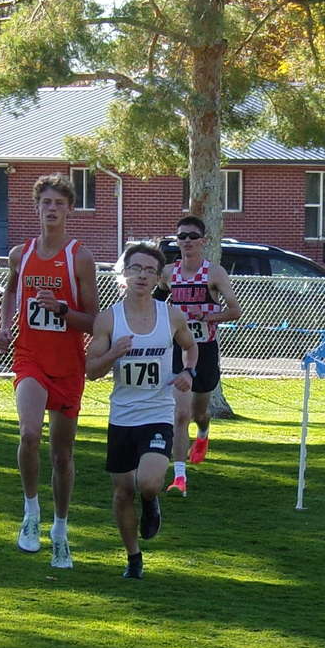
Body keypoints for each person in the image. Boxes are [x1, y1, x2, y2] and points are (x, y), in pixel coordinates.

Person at [0, 174, 97, 568]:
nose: (51, 209)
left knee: (62, 455)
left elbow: (92, 320)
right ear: (36, 208)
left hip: (68, 364)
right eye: (45, 202)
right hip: (30, 357)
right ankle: (30, 512)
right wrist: (5, 325)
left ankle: (60, 527)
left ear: (70, 209)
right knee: (29, 433)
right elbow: (9, 290)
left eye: (59, 203)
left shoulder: (79, 257)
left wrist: (61, 311)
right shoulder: (21, 254)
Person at [86, 243, 198, 579]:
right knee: (121, 492)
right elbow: (91, 371)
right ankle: (133, 558)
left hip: (158, 412)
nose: (141, 275)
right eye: (135, 268)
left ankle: (151, 501)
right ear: (124, 273)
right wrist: (113, 354)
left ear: (158, 279)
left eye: (149, 270)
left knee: (147, 481)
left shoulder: (171, 315)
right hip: (122, 417)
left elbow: (191, 349)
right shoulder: (109, 319)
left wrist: (187, 373)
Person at [157, 216, 242, 497]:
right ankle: (179, 477)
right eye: (182, 236)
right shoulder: (169, 273)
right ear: (176, 240)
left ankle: (203, 433)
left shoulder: (214, 273)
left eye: (193, 236)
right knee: (180, 414)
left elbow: (235, 311)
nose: (187, 241)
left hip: (204, 350)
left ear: (203, 240)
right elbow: (154, 305)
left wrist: (210, 315)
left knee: (198, 412)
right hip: (178, 350)